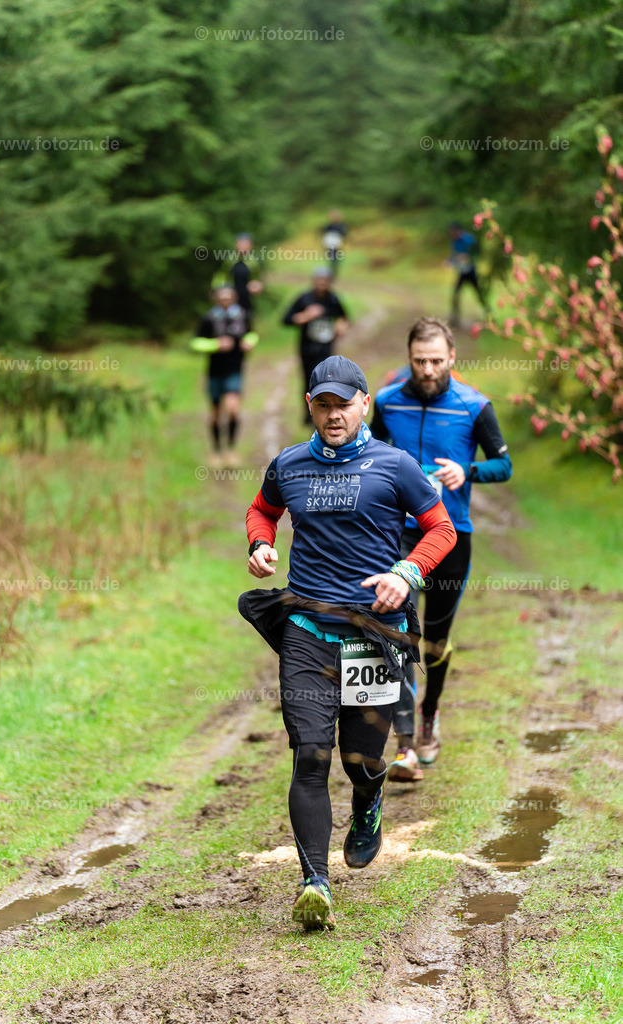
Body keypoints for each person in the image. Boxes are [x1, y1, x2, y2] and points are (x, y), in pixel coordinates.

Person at [239, 355, 456, 931]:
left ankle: (369, 801)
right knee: (310, 755)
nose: (334, 415)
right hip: (308, 631)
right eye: (323, 405)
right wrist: (261, 544)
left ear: (365, 404)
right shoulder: (289, 464)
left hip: (373, 637)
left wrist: (406, 573)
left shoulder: (395, 466)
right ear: (310, 407)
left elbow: (441, 529)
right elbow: (261, 511)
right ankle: (315, 883)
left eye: (344, 404)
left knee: (361, 760)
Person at [371, 317, 512, 779]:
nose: (428, 370)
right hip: (400, 535)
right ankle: (405, 745)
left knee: (434, 639)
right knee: (399, 633)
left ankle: (430, 712)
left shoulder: (474, 405)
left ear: (452, 357)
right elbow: (369, 456)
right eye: (419, 361)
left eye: (436, 361)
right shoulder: (388, 401)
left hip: (452, 535)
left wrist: (467, 472)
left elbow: (504, 465)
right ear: (409, 358)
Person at [190, 286, 258, 469]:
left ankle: (231, 450)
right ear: (216, 299)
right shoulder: (209, 318)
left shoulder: (242, 316)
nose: (225, 301)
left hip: (235, 370)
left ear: (234, 298)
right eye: (222, 298)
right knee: (215, 414)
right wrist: (215, 344)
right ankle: (216, 451)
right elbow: (195, 342)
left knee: (233, 410)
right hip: (215, 371)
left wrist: (249, 342)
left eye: (228, 298)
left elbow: (252, 334)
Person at [282, 268, 349, 423]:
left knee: (323, 380)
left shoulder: (333, 299)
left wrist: (340, 327)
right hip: (307, 347)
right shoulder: (304, 299)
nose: (322, 284)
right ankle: (308, 414)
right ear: (313, 281)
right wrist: (306, 316)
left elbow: (344, 317)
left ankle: (321, 412)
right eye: (319, 280)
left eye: (325, 281)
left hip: (325, 348)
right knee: (308, 379)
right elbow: (286, 319)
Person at [448, 221, 489, 326]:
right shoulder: (454, 241)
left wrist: (468, 257)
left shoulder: (469, 239)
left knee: (479, 294)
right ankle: (455, 318)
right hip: (462, 272)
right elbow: (455, 255)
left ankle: (489, 315)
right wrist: (450, 261)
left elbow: (476, 252)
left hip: (471, 271)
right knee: (456, 294)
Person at [212, 233, 263, 314]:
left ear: (251, 246)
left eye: (246, 244)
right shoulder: (228, 259)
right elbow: (220, 275)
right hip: (230, 296)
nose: (243, 246)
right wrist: (221, 288)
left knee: (246, 316)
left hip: (246, 297)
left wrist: (256, 285)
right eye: (241, 243)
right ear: (235, 245)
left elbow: (257, 277)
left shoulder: (255, 261)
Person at [321, 209, 348, 275]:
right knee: (331, 258)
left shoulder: (341, 226)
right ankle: (331, 271)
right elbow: (325, 234)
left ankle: (333, 271)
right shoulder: (329, 226)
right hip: (329, 244)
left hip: (337, 245)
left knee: (336, 259)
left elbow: (344, 234)